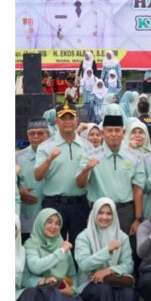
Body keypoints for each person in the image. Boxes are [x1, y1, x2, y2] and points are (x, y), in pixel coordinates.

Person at [76, 115, 146, 285]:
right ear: (102, 133)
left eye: (117, 131)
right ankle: (95, 288)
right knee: (98, 248)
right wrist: (86, 169)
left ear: (123, 133)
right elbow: (80, 183)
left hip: (125, 211)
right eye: (109, 131)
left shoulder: (134, 157)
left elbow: (138, 188)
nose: (113, 134)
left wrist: (137, 218)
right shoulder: (91, 156)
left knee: (126, 252)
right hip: (99, 212)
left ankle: (128, 291)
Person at [25, 208, 93, 301]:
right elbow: (35, 266)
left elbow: (72, 274)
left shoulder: (62, 244)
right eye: (49, 222)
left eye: (57, 223)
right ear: (40, 223)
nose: (53, 226)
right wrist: (60, 252)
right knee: (53, 294)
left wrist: (72, 290)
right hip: (42, 290)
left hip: (62, 287)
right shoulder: (31, 244)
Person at [74, 198, 137, 301]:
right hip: (88, 282)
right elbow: (84, 264)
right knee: (103, 289)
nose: (105, 217)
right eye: (100, 213)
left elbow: (128, 265)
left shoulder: (122, 237)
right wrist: (107, 251)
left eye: (109, 213)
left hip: (113, 280)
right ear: (94, 214)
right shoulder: (83, 237)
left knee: (128, 292)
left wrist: (108, 271)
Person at [34, 103, 90, 248]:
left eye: (70, 117)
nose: (67, 121)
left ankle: (78, 272)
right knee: (53, 247)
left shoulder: (87, 146)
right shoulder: (46, 146)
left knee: (80, 246)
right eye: (63, 118)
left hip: (79, 204)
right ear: (56, 122)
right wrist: (49, 159)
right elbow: (38, 176)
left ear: (76, 120)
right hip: (54, 204)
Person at [15, 216, 53, 301]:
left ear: (18, 230)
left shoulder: (21, 251)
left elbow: (24, 278)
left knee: (35, 293)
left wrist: (41, 280)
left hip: (16, 293)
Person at [17, 118, 51, 242]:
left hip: (51, 220)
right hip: (27, 218)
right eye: (32, 133)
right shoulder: (18, 158)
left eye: (41, 133)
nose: (36, 137)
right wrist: (19, 192)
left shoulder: (56, 155)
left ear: (48, 135)